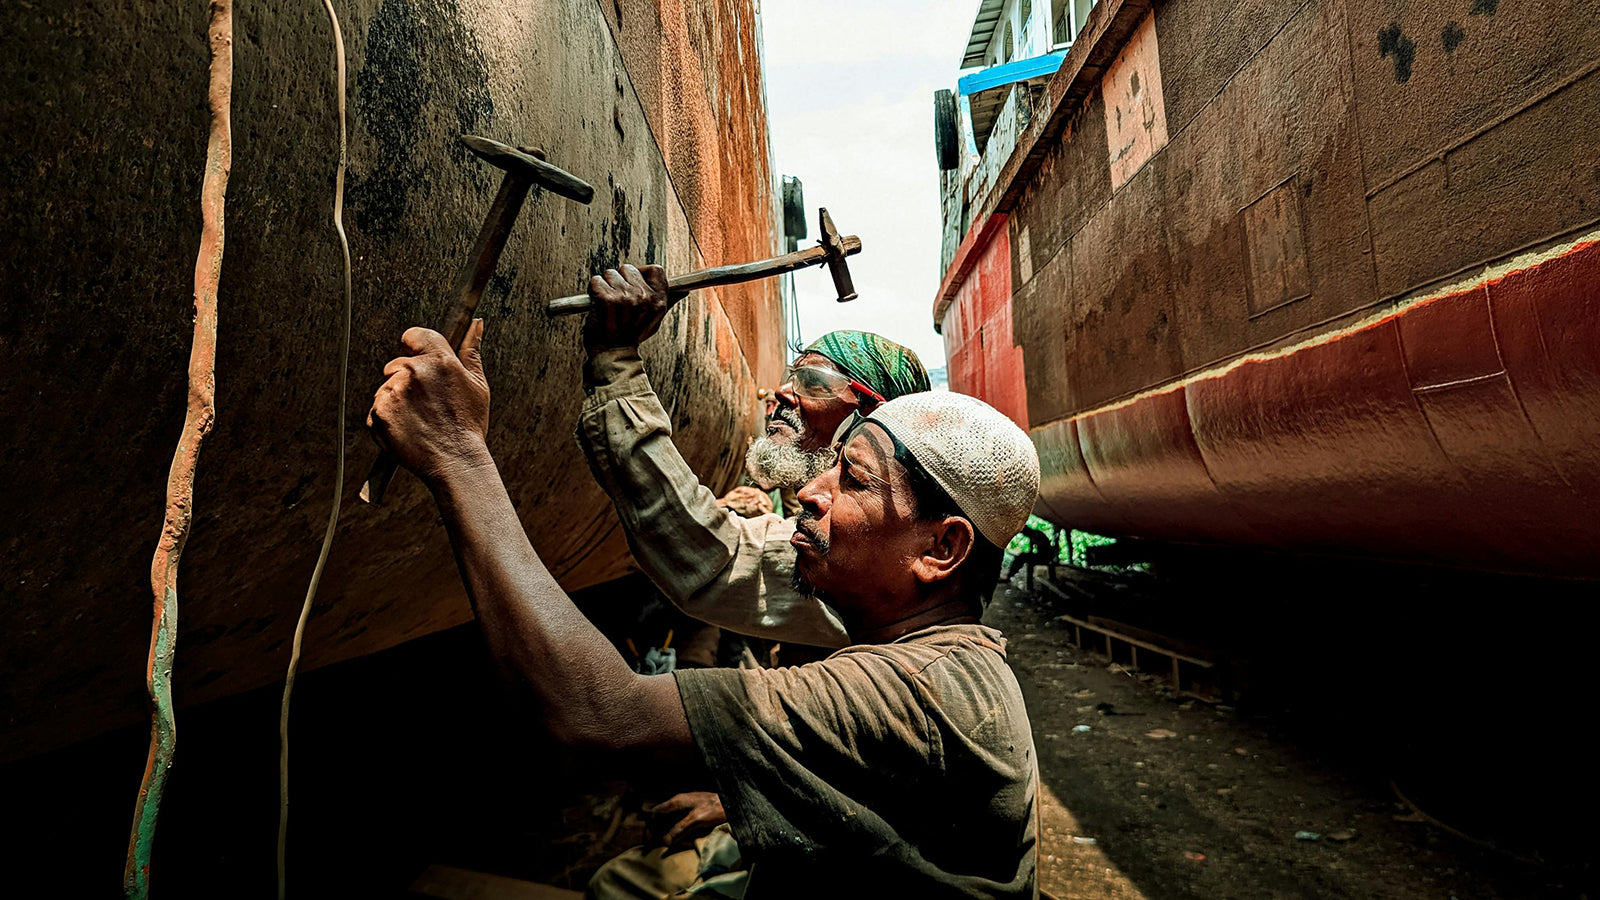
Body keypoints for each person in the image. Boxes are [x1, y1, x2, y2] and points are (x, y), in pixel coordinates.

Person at [364, 314, 1042, 895]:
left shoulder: (908, 690)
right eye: (829, 468)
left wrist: (458, 456)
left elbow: (598, 713)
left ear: (942, 549)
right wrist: (752, 793)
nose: (811, 494)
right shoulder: (937, 653)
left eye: (854, 477)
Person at [577, 265, 930, 651]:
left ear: (869, 417)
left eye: (811, 381)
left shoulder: (869, 543)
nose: (782, 392)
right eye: (790, 375)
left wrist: (616, 360)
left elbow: (713, 556)